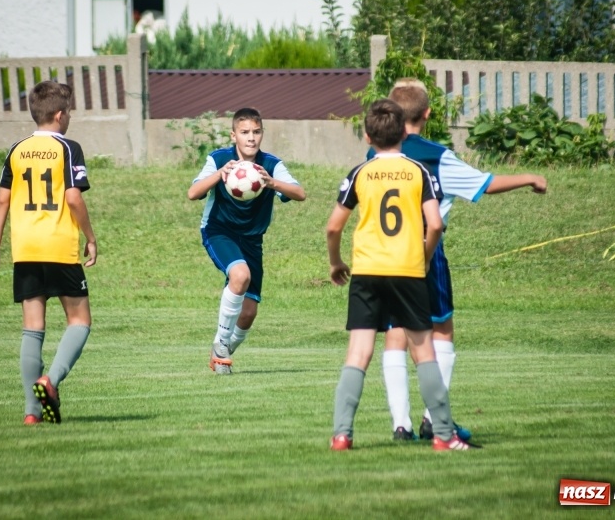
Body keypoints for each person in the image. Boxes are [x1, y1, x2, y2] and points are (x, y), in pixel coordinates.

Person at [369, 79, 548, 441]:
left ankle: (400, 424)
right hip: (424, 251)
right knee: (442, 330)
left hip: (384, 255)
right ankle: (432, 418)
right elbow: (485, 183)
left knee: (395, 333)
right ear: (427, 113)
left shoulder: (377, 154)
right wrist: (529, 176)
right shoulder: (436, 156)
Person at [326, 98, 471, 451]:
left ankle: (342, 435)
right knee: (424, 352)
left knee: (358, 352)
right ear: (403, 133)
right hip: (407, 271)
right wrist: (423, 256)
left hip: (367, 271)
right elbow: (435, 223)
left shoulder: (360, 173)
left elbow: (333, 228)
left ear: (366, 136)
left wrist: (336, 262)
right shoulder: (419, 171)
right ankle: (443, 435)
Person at [0, 80, 97, 426]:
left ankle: (31, 413)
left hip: (25, 249)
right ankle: (51, 381)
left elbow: (2, 200)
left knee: (32, 329)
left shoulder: (17, 150)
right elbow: (73, 197)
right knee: (79, 321)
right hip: (59, 247)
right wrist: (90, 237)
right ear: (61, 115)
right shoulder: (68, 148)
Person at [188, 107, 306, 374]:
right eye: (244, 132)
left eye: (256, 132)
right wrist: (220, 174)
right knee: (239, 276)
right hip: (219, 231)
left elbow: (300, 193)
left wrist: (271, 182)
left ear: (262, 134)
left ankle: (221, 353)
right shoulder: (219, 159)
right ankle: (220, 348)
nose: (251, 138)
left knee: (249, 313)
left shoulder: (271, 164)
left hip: (252, 240)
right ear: (233, 135)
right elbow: (193, 192)